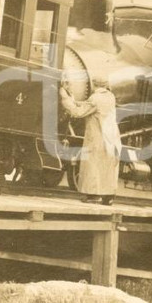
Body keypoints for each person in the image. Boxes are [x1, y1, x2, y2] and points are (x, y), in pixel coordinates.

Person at [59, 75, 122, 205]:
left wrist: (65, 98)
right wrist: (74, 99)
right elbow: (90, 105)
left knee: (94, 165)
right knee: (108, 167)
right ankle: (108, 197)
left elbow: (78, 113)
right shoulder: (110, 97)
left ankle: (93, 196)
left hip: (97, 137)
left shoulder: (95, 98)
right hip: (111, 137)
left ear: (94, 85)